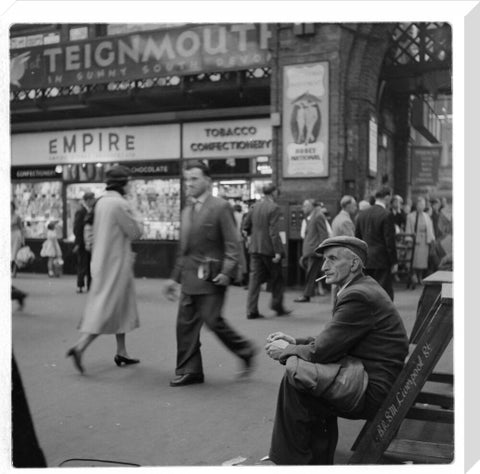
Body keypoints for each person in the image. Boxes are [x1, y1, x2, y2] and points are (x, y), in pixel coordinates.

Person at [264, 236, 409, 465]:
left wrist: (286, 350)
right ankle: (312, 461)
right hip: (374, 377)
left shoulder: (357, 296)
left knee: (298, 381)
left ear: (353, 264)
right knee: (306, 377)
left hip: (372, 388)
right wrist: (295, 340)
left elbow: (322, 351)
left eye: (332, 259)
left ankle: (291, 462)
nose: (323, 267)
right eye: (324, 260)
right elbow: (336, 339)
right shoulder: (362, 287)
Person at [163, 161, 257, 387]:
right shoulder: (186, 212)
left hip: (212, 278)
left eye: (195, 178)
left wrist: (227, 272)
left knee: (213, 321)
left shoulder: (220, 206)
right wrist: (173, 279)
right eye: (188, 179)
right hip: (188, 277)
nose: (190, 183)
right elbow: (183, 250)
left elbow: (232, 244)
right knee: (184, 325)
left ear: (208, 180)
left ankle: (245, 350)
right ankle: (189, 370)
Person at [66, 165, 143, 374]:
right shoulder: (120, 204)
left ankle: (122, 351)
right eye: (129, 181)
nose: (131, 185)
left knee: (121, 306)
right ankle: (80, 347)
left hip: (102, 262)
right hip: (115, 264)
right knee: (108, 308)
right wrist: (134, 207)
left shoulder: (101, 202)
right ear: (123, 184)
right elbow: (136, 232)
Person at [242, 183, 290, 319]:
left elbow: (246, 226)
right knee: (277, 278)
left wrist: (251, 238)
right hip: (269, 249)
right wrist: (278, 252)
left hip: (255, 249)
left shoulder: (254, 206)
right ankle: (277, 305)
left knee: (254, 280)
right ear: (273, 193)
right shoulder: (274, 208)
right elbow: (273, 231)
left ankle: (251, 310)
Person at [355, 186, 398, 300]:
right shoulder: (386, 214)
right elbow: (389, 241)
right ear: (387, 197)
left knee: (367, 290)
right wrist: (394, 261)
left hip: (366, 258)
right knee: (383, 292)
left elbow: (357, 239)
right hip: (382, 259)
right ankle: (384, 316)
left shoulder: (362, 215)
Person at [294, 199, 329, 303]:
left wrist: (321, 250)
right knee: (311, 273)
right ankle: (309, 293)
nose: (303, 208)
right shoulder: (313, 216)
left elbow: (323, 234)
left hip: (315, 251)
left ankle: (307, 294)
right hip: (312, 250)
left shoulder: (318, 216)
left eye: (305, 206)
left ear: (311, 206)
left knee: (311, 273)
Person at [405, 196, 435, 284]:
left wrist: (432, 239)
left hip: (424, 241)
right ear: (417, 205)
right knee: (414, 260)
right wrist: (409, 239)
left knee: (422, 261)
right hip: (415, 241)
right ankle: (413, 275)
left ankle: (420, 276)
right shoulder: (410, 216)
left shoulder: (427, 216)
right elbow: (408, 229)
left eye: (423, 204)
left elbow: (430, 229)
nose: (422, 206)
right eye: (420, 204)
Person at [73, 191, 96, 293]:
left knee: (89, 265)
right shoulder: (81, 211)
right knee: (82, 264)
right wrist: (78, 243)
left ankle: (90, 285)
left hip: (89, 242)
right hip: (82, 243)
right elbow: (77, 228)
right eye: (92, 199)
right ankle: (80, 285)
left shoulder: (91, 210)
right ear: (87, 200)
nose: (94, 201)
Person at [11, 201, 24, 278]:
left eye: (11, 207)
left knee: (15, 254)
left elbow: (21, 228)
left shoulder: (17, 217)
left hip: (16, 235)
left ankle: (14, 271)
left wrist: (23, 238)